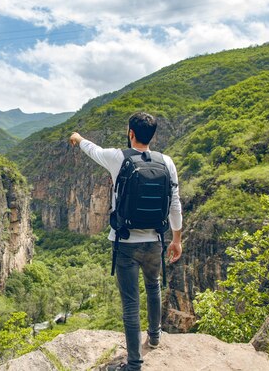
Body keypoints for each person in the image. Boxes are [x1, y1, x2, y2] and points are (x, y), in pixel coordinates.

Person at [69, 112, 182, 371]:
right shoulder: (167, 161)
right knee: (153, 287)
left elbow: (92, 150)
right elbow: (174, 203)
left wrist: (78, 138)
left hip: (125, 242)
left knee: (130, 302)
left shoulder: (119, 157)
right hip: (156, 240)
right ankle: (154, 337)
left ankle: (134, 364)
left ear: (130, 132)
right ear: (152, 135)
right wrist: (176, 239)